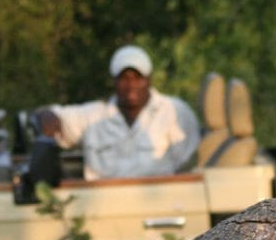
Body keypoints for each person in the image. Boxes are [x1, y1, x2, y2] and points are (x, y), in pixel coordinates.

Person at [33, 45, 200, 180]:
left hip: (159, 207)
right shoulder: (95, 115)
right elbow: (50, 115)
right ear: (114, 81)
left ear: (149, 79)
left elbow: (187, 167)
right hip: (102, 207)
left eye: (137, 77)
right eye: (124, 78)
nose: (131, 85)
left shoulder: (175, 111)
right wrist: (47, 120)